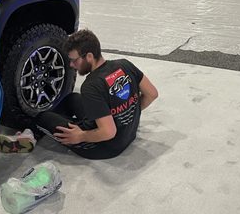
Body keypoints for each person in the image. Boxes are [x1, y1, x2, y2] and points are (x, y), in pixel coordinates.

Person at [33, 29, 159, 160]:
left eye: (74, 60)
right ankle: (79, 122)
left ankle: (31, 134)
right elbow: (152, 94)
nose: (71, 65)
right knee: (71, 99)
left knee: (41, 117)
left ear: (89, 56)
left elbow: (108, 132)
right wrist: (128, 115)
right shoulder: (124, 65)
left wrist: (80, 136)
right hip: (128, 134)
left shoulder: (91, 86)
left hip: (106, 146)